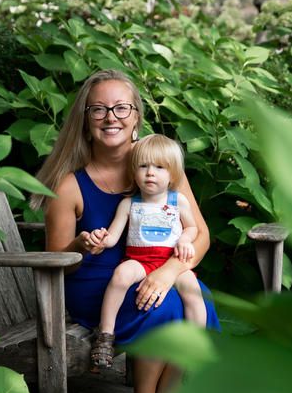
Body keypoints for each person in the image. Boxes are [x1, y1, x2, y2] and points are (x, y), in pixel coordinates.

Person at [31, 69, 220, 393]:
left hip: (156, 271)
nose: (110, 117)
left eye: (121, 107)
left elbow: (201, 236)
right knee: (162, 307)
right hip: (97, 287)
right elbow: (54, 265)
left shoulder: (160, 166)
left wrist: (169, 271)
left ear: (136, 117)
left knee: (197, 301)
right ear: (85, 121)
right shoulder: (70, 185)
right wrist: (80, 245)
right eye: (98, 109)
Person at [84, 134, 208, 369]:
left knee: (192, 290)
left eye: (159, 167)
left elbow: (193, 227)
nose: (150, 173)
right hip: (139, 260)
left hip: (171, 260)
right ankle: (105, 336)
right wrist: (100, 238)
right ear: (134, 171)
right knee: (120, 275)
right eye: (143, 166)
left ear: (172, 173)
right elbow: (113, 237)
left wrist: (185, 239)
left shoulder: (177, 201)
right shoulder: (129, 204)